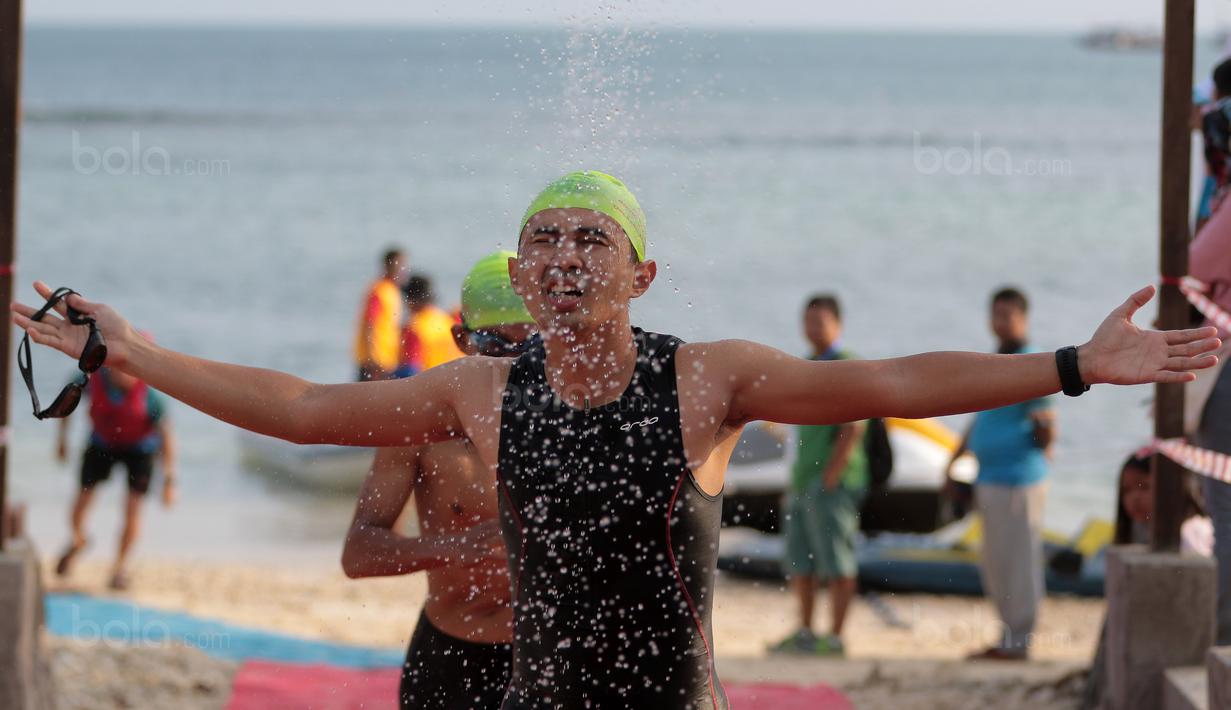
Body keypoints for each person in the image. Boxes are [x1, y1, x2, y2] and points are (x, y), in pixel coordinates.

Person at [15, 171, 1220, 709]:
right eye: (542, 238)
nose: (562, 255)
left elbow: (888, 378)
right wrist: (127, 350)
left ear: (641, 271)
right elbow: (297, 406)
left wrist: (1073, 363)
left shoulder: (705, 378)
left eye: (589, 236)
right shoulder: (479, 391)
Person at [342, 251, 534, 710]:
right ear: (463, 340)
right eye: (495, 345)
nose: (512, 363)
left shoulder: (581, 423)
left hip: (547, 654)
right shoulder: (421, 428)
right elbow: (359, 553)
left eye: (531, 346)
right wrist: (454, 547)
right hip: (451, 655)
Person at [945, 287, 1055, 661]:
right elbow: (981, 418)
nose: (1001, 322)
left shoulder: (1033, 361)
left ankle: (1019, 640)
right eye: (996, 314)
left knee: (1019, 561)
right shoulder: (994, 361)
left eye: (1008, 315)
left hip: (1019, 478)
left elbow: (1046, 422)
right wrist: (953, 462)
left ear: (1023, 318)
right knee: (995, 563)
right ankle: (1008, 634)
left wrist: (1045, 436)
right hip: (989, 476)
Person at [771, 294, 867, 657]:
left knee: (837, 560)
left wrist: (831, 475)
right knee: (800, 560)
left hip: (833, 482)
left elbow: (854, 426)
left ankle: (836, 636)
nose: (812, 329)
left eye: (820, 322)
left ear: (837, 325)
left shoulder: (846, 364)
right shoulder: (807, 365)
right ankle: (806, 632)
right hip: (802, 480)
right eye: (808, 321)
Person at [53, 362, 176, 590]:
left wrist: (169, 481)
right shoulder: (90, 378)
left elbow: (167, 437)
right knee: (81, 503)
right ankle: (79, 540)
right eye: (120, 369)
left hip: (140, 450)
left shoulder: (151, 396)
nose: (125, 375)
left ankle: (120, 568)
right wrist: (61, 440)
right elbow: (66, 403)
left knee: (133, 510)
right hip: (102, 443)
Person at [355, 247, 410, 381]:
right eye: (399, 265)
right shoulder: (379, 290)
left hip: (387, 360)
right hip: (374, 362)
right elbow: (370, 323)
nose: (403, 270)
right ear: (388, 266)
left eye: (404, 266)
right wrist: (373, 359)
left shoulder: (393, 290)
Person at [396, 274, 464, 377]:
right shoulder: (445, 320)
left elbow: (410, 370)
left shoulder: (414, 327)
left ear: (412, 300)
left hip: (427, 382)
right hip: (451, 379)